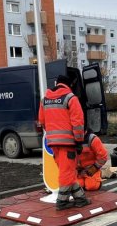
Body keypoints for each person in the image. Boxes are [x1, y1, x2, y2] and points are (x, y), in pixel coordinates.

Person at [38, 74, 91, 211]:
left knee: (67, 171)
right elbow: (78, 123)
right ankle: (61, 202)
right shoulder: (71, 98)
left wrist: (52, 135)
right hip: (68, 143)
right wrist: (79, 141)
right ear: (69, 85)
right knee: (66, 173)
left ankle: (80, 198)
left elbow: (42, 121)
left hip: (53, 143)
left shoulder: (45, 100)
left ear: (57, 83)